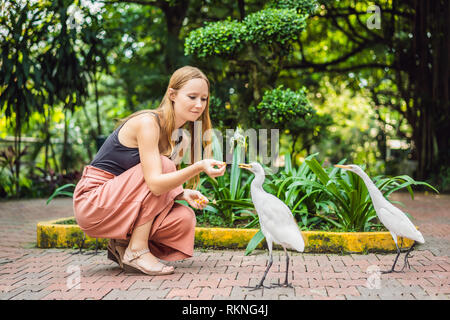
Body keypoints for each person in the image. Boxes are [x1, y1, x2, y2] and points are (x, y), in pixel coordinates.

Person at [73, 66, 226, 276]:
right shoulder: (148, 123)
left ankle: (121, 244)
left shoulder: (181, 137)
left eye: (204, 99)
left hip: (119, 201)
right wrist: (198, 167)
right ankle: (136, 250)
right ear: (172, 95)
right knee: (165, 165)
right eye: (192, 97)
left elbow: (149, 188)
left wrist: (182, 193)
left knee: (183, 218)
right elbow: (154, 182)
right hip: (94, 202)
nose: (199, 105)